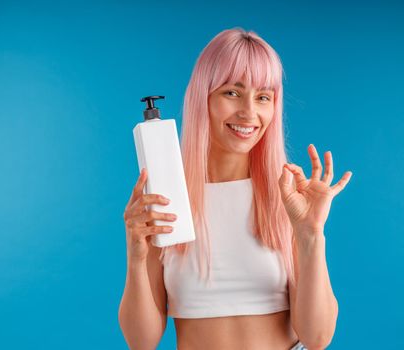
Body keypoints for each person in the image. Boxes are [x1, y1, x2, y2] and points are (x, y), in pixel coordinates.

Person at [118, 27, 352, 350]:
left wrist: (310, 234)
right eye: (232, 92)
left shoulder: (287, 199)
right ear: (204, 97)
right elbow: (140, 341)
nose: (249, 112)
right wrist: (135, 255)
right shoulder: (169, 200)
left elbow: (318, 336)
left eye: (263, 97)